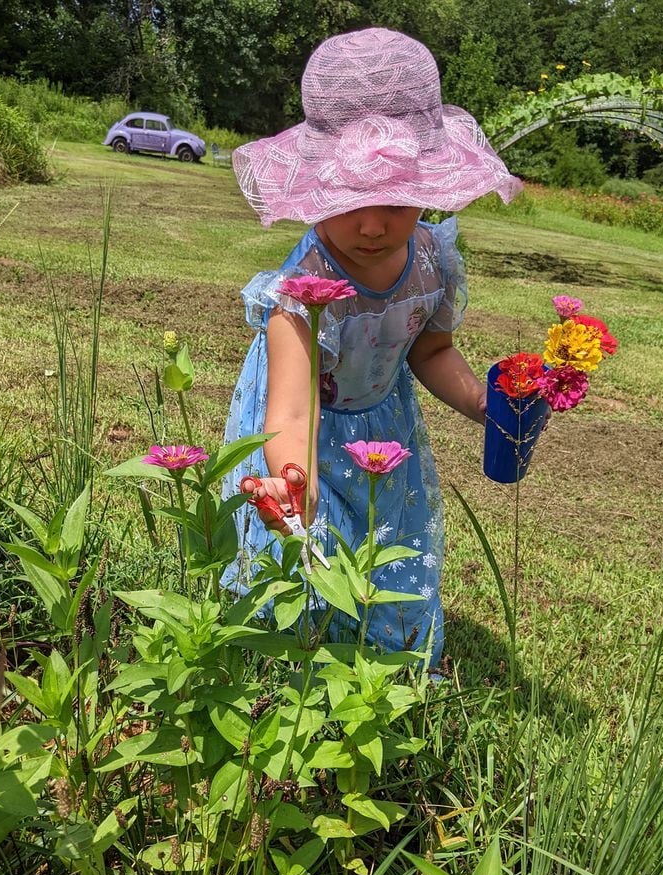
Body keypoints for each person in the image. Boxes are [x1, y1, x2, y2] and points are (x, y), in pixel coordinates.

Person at [221, 27, 522, 662]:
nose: (371, 223)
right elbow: (291, 412)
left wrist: (484, 405)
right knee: (306, 555)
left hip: (387, 423)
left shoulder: (432, 262)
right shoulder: (300, 294)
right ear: (315, 188)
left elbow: (429, 352)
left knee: (390, 540)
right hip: (304, 434)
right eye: (350, 197)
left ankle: (389, 661)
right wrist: (289, 478)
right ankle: (298, 666)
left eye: (395, 198)